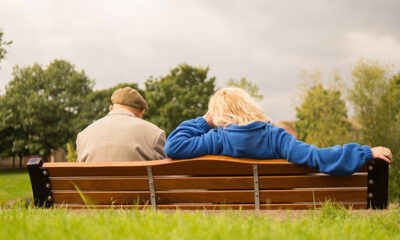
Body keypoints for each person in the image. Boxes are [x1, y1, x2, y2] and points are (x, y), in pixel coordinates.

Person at [164, 87, 392, 176]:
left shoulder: (216, 139)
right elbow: (316, 157)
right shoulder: (277, 137)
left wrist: (205, 120)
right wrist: (364, 153)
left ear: (219, 116)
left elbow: (173, 146)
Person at [76, 87, 166, 162]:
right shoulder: (155, 134)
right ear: (141, 112)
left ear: (111, 108)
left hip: (93, 184)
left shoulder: (83, 135)